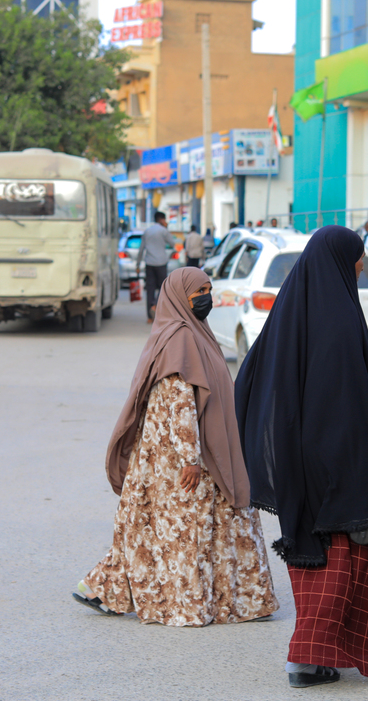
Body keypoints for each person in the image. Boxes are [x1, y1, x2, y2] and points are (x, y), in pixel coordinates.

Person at [236, 226, 368, 689]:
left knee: (312, 556)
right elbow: (354, 403)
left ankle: (317, 656)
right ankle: (308, 657)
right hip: (338, 460)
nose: (361, 266)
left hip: (297, 461)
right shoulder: (341, 319)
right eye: (358, 258)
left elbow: (250, 384)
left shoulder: (288, 311)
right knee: (345, 559)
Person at [74, 268, 279, 627]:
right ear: (179, 296)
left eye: (208, 289)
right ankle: (176, 599)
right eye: (198, 290)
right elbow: (180, 401)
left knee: (160, 526)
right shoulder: (181, 338)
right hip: (180, 456)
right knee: (183, 528)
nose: (206, 297)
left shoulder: (190, 333)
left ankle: (108, 588)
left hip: (188, 450)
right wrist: (190, 459)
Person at [135, 210, 178, 322]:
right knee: (163, 288)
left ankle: (149, 317)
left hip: (149, 263)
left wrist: (138, 264)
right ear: (162, 220)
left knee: (150, 289)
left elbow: (141, 249)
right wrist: (166, 229)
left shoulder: (147, 231)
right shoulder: (163, 231)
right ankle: (155, 306)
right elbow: (173, 244)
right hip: (161, 263)